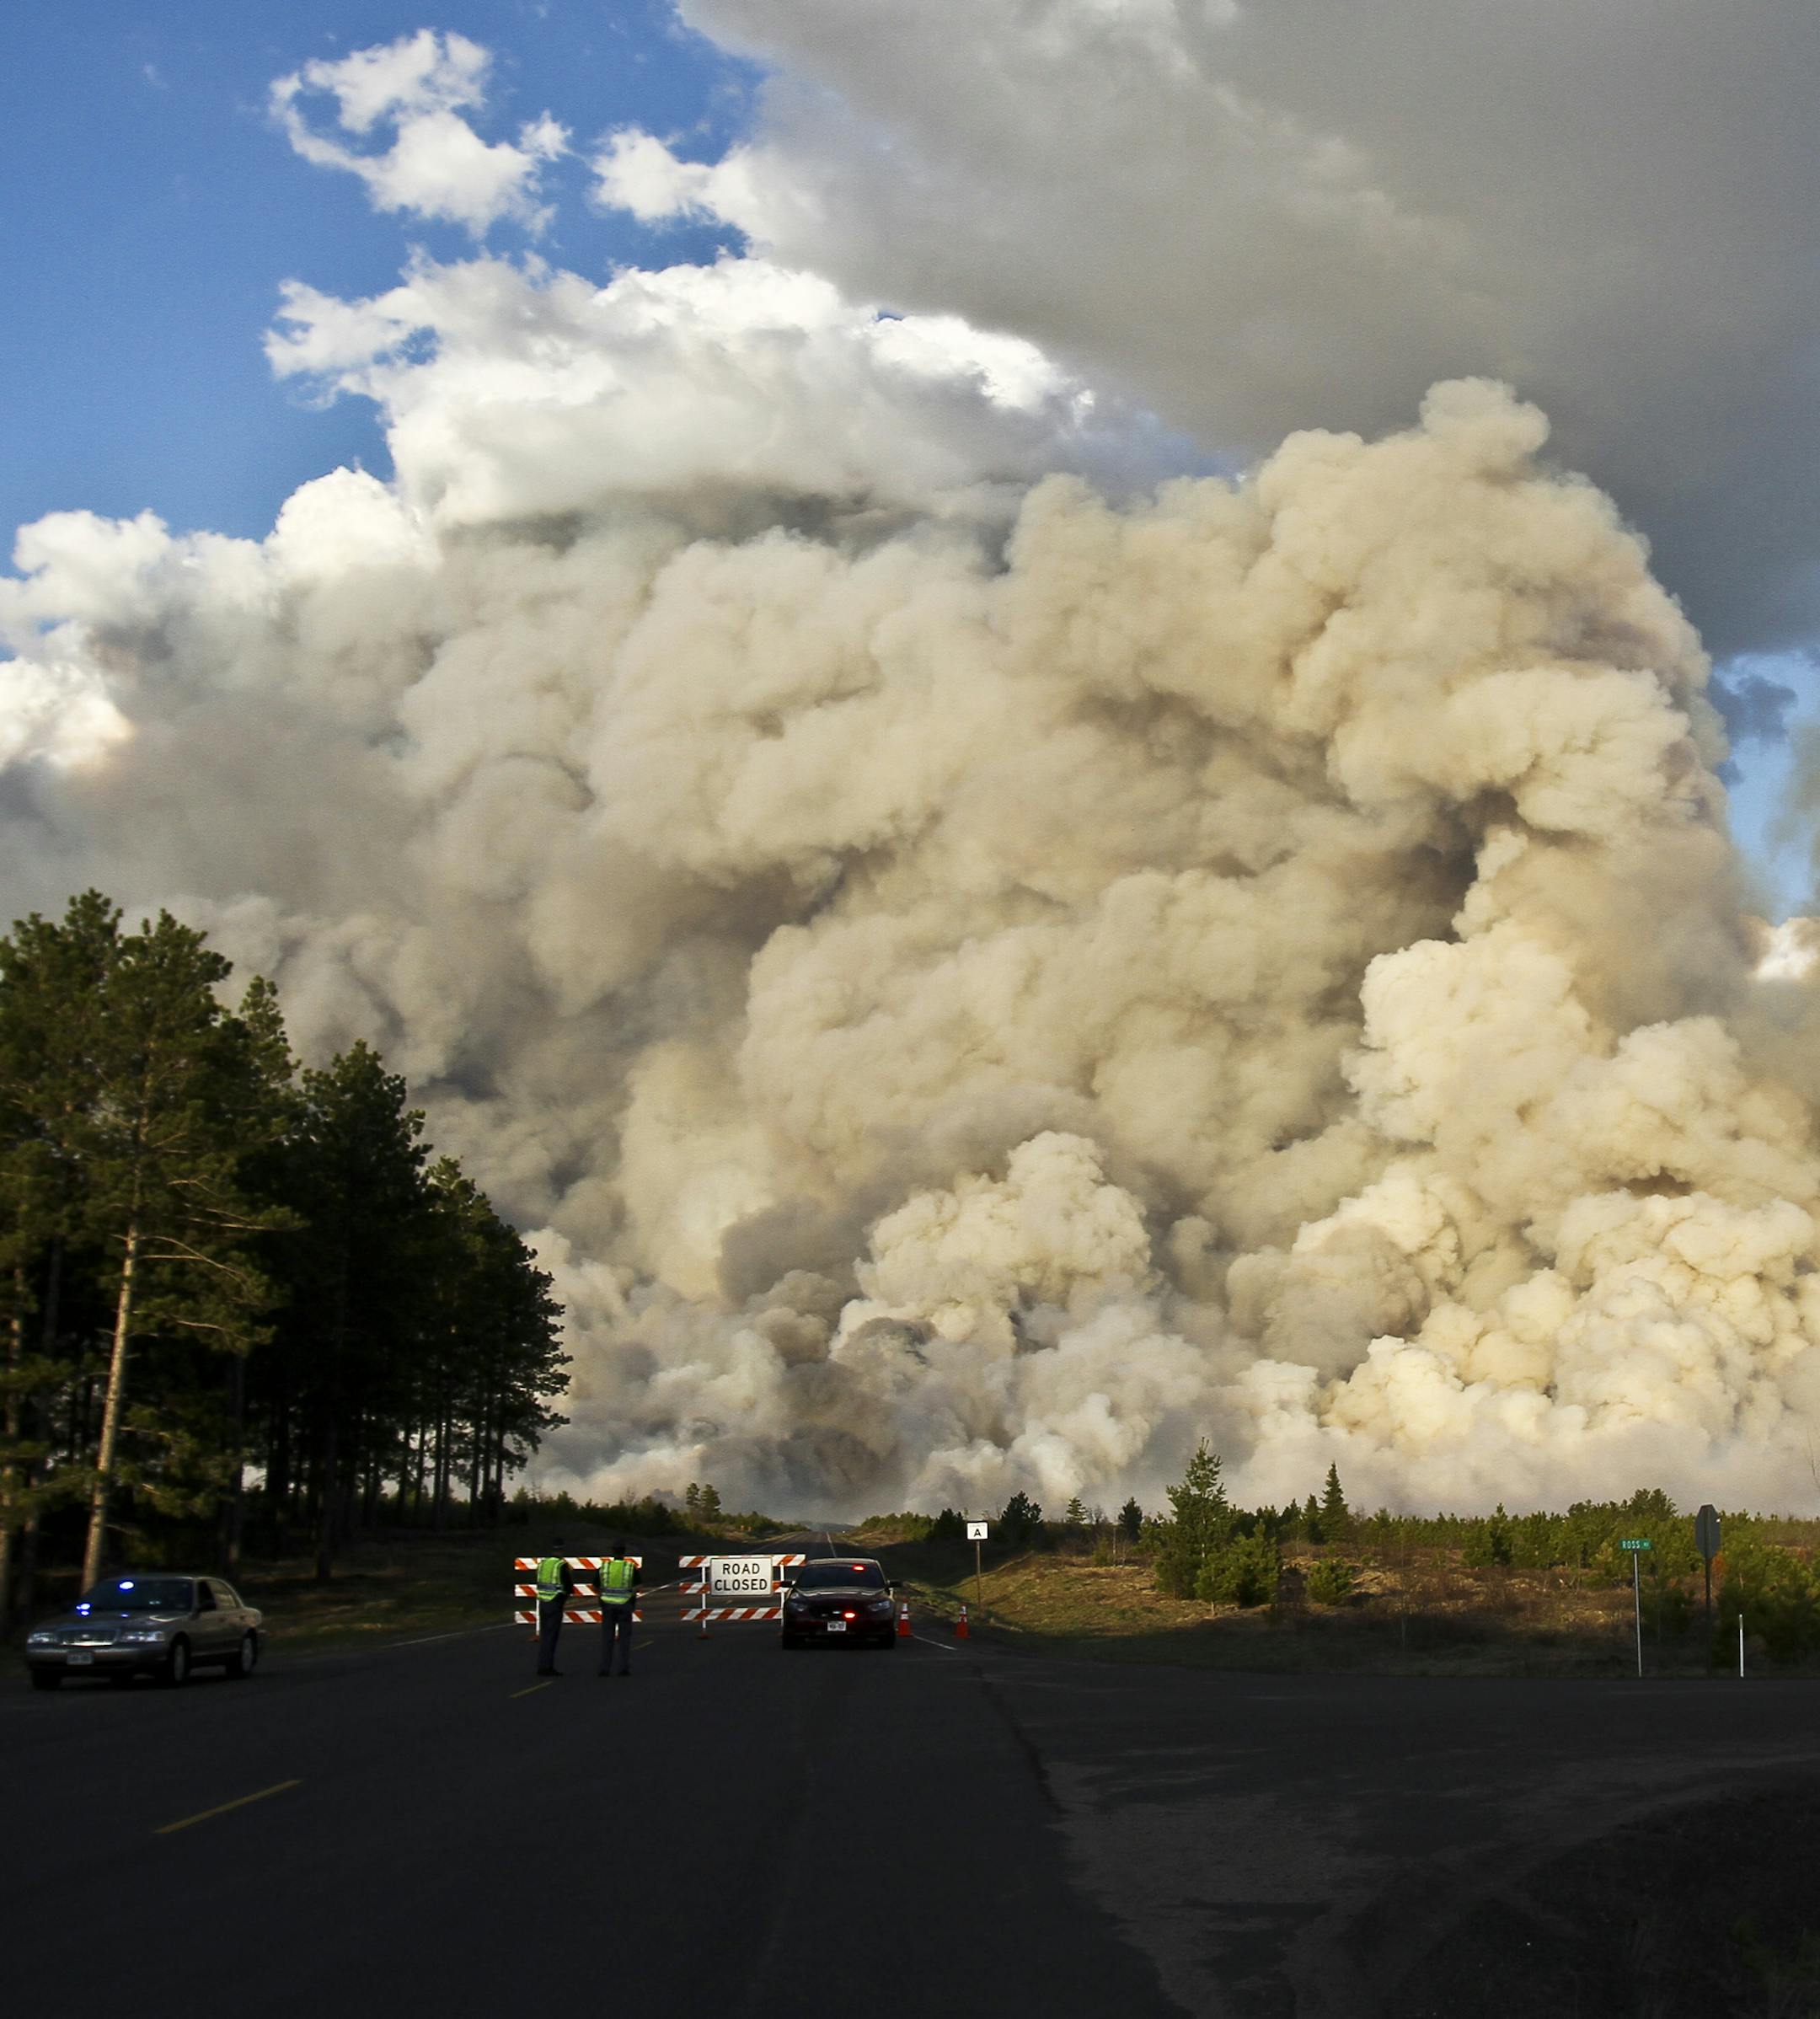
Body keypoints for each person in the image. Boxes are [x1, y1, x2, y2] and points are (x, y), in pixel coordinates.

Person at [597, 1540, 640, 1677]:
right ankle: (623, 1668)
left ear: (613, 1551)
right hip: (625, 1605)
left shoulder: (605, 1567)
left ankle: (605, 1668)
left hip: (607, 1605)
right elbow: (638, 1587)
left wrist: (603, 1596)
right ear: (624, 1552)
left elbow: (596, 1585)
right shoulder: (630, 1567)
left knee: (607, 1637)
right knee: (624, 1638)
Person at [533, 1541, 574, 1675]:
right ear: (562, 1551)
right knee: (552, 1636)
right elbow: (568, 1586)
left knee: (545, 1635)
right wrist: (566, 1595)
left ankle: (542, 1664)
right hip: (555, 1602)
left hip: (543, 1601)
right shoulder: (561, 1565)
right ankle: (547, 1667)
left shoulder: (543, 1564)